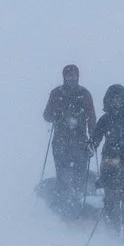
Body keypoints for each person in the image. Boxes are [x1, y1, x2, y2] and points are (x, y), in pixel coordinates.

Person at [42, 65, 96, 204]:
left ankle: (76, 200)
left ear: (78, 76)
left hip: (80, 141)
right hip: (61, 141)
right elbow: (47, 115)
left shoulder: (84, 94)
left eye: (73, 75)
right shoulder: (56, 93)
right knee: (62, 172)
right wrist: (55, 113)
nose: (71, 78)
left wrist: (92, 139)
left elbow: (91, 117)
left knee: (79, 172)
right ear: (64, 77)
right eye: (69, 75)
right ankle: (64, 201)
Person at [91, 84, 124, 235]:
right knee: (111, 197)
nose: (117, 102)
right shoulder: (105, 119)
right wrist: (91, 144)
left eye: (120, 98)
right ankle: (112, 230)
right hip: (109, 162)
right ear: (108, 101)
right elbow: (96, 136)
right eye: (114, 99)